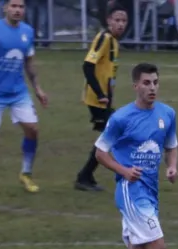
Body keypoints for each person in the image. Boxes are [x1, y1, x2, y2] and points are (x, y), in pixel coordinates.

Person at [60, 63, 178, 249]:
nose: (152, 88)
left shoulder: (167, 114)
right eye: (147, 83)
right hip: (131, 191)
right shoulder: (122, 118)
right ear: (135, 86)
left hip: (150, 191)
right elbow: (100, 152)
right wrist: (123, 170)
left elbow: (171, 145)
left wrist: (172, 166)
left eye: (155, 82)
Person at [0, 0, 49, 198]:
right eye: (13, 6)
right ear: (5, 8)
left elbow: (29, 62)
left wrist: (38, 88)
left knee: (32, 130)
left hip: (18, 92)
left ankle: (26, 174)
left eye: (21, 7)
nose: (17, 10)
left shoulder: (28, 32)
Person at [74, 4, 129, 192]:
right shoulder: (104, 39)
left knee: (109, 136)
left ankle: (86, 176)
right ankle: (85, 176)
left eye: (124, 21)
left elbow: (108, 73)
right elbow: (88, 66)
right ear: (109, 21)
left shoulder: (114, 41)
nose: (120, 24)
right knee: (111, 134)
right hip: (96, 99)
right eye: (117, 20)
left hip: (104, 99)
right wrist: (100, 94)